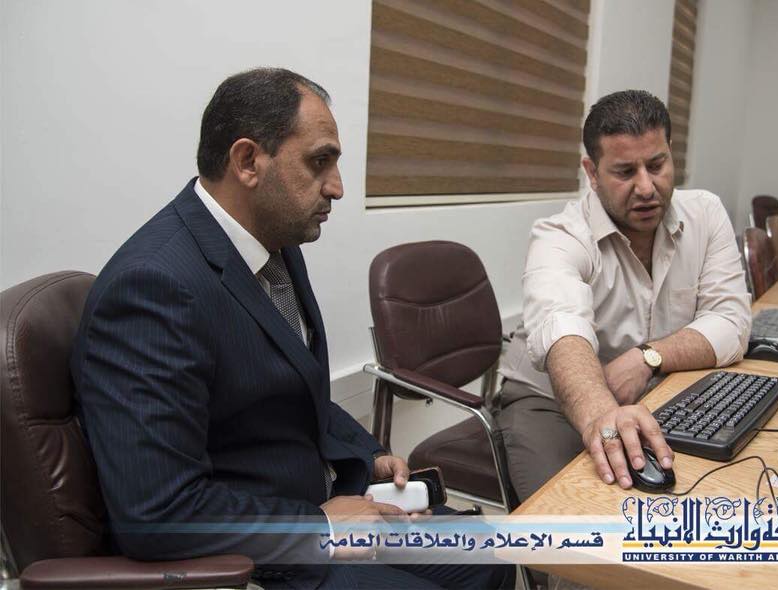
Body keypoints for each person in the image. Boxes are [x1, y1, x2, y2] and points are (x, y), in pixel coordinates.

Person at [71, 68, 511, 590]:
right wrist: (321, 526)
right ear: (247, 161)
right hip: (257, 557)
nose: (338, 187)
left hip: (321, 501)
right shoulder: (152, 288)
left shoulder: (274, 242)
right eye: (319, 161)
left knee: (490, 557)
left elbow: (292, 390)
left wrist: (368, 454)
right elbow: (159, 512)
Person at [496, 89, 751, 502]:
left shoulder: (705, 213)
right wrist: (602, 415)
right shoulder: (559, 235)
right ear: (592, 172)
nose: (646, 187)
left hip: (652, 385)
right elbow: (563, 332)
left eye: (657, 165)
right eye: (625, 172)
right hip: (550, 400)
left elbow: (731, 322)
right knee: (574, 516)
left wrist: (647, 358)